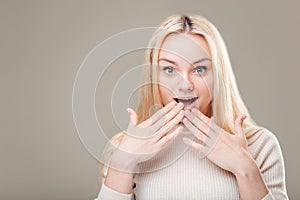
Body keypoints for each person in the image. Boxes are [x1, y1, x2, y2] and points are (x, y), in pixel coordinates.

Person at [96, 14, 289, 199]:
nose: (185, 84)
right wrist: (122, 163)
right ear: (154, 77)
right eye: (169, 70)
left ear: (218, 77)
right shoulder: (126, 147)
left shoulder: (259, 144)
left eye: (199, 69)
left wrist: (245, 169)